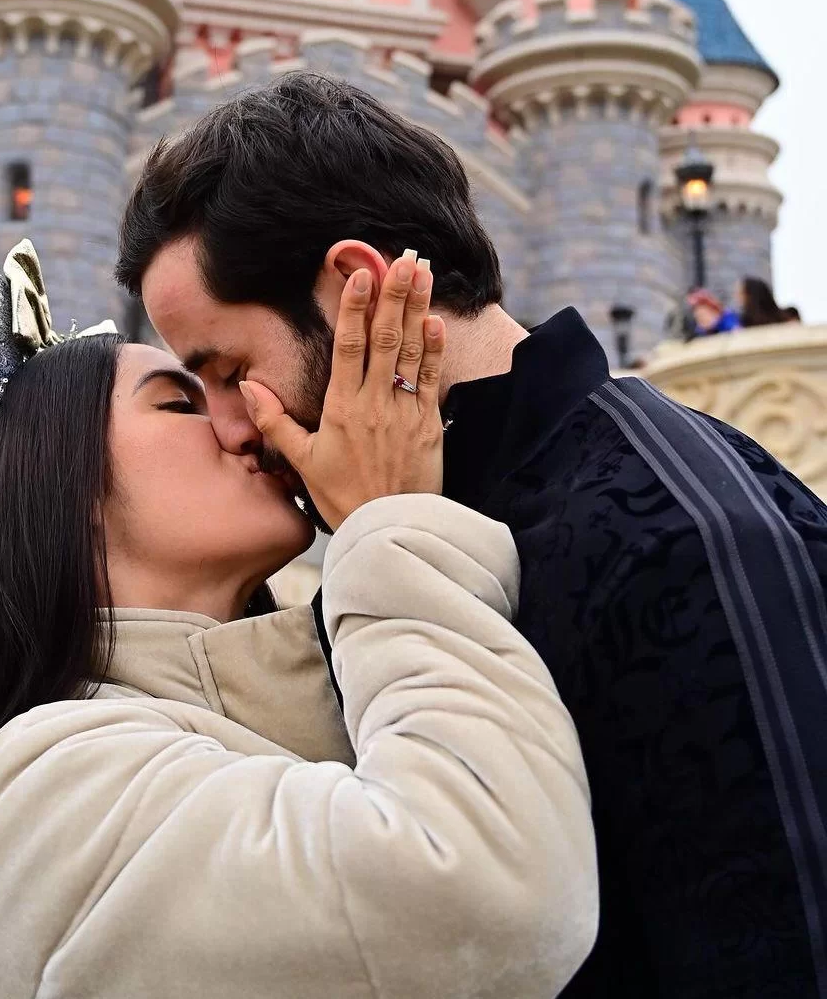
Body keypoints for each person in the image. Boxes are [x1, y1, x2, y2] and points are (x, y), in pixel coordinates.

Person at [118, 71, 827, 999]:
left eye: (228, 369)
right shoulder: (407, 537)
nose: (230, 426)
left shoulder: (683, 533)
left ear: (356, 290)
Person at [0, 238, 598, 999]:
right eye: (183, 401)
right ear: (61, 494)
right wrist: (391, 525)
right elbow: (488, 896)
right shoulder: (31, 799)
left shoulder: (331, 687)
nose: (248, 421)